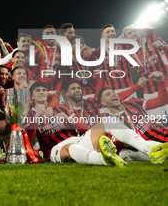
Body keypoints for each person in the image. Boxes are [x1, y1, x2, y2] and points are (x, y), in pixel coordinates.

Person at [24, 82, 168, 166]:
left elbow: (84, 128)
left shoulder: (61, 108)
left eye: (44, 90)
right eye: (38, 90)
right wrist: (36, 117)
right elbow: (28, 139)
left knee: (109, 121)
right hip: (56, 149)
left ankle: (151, 149)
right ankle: (104, 159)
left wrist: (68, 118)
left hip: (78, 139)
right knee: (71, 147)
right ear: (32, 95)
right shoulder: (30, 114)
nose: (42, 92)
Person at [123, 25, 168, 118]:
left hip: (166, 85)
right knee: (156, 123)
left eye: (135, 31)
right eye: (130, 33)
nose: (133, 34)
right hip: (149, 92)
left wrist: (163, 47)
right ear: (126, 38)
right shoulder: (128, 53)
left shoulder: (153, 40)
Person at [95, 24, 135, 97]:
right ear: (102, 37)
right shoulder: (99, 51)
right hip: (111, 90)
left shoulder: (125, 45)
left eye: (112, 31)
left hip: (128, 87)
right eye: (107, 32)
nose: (111, 33)